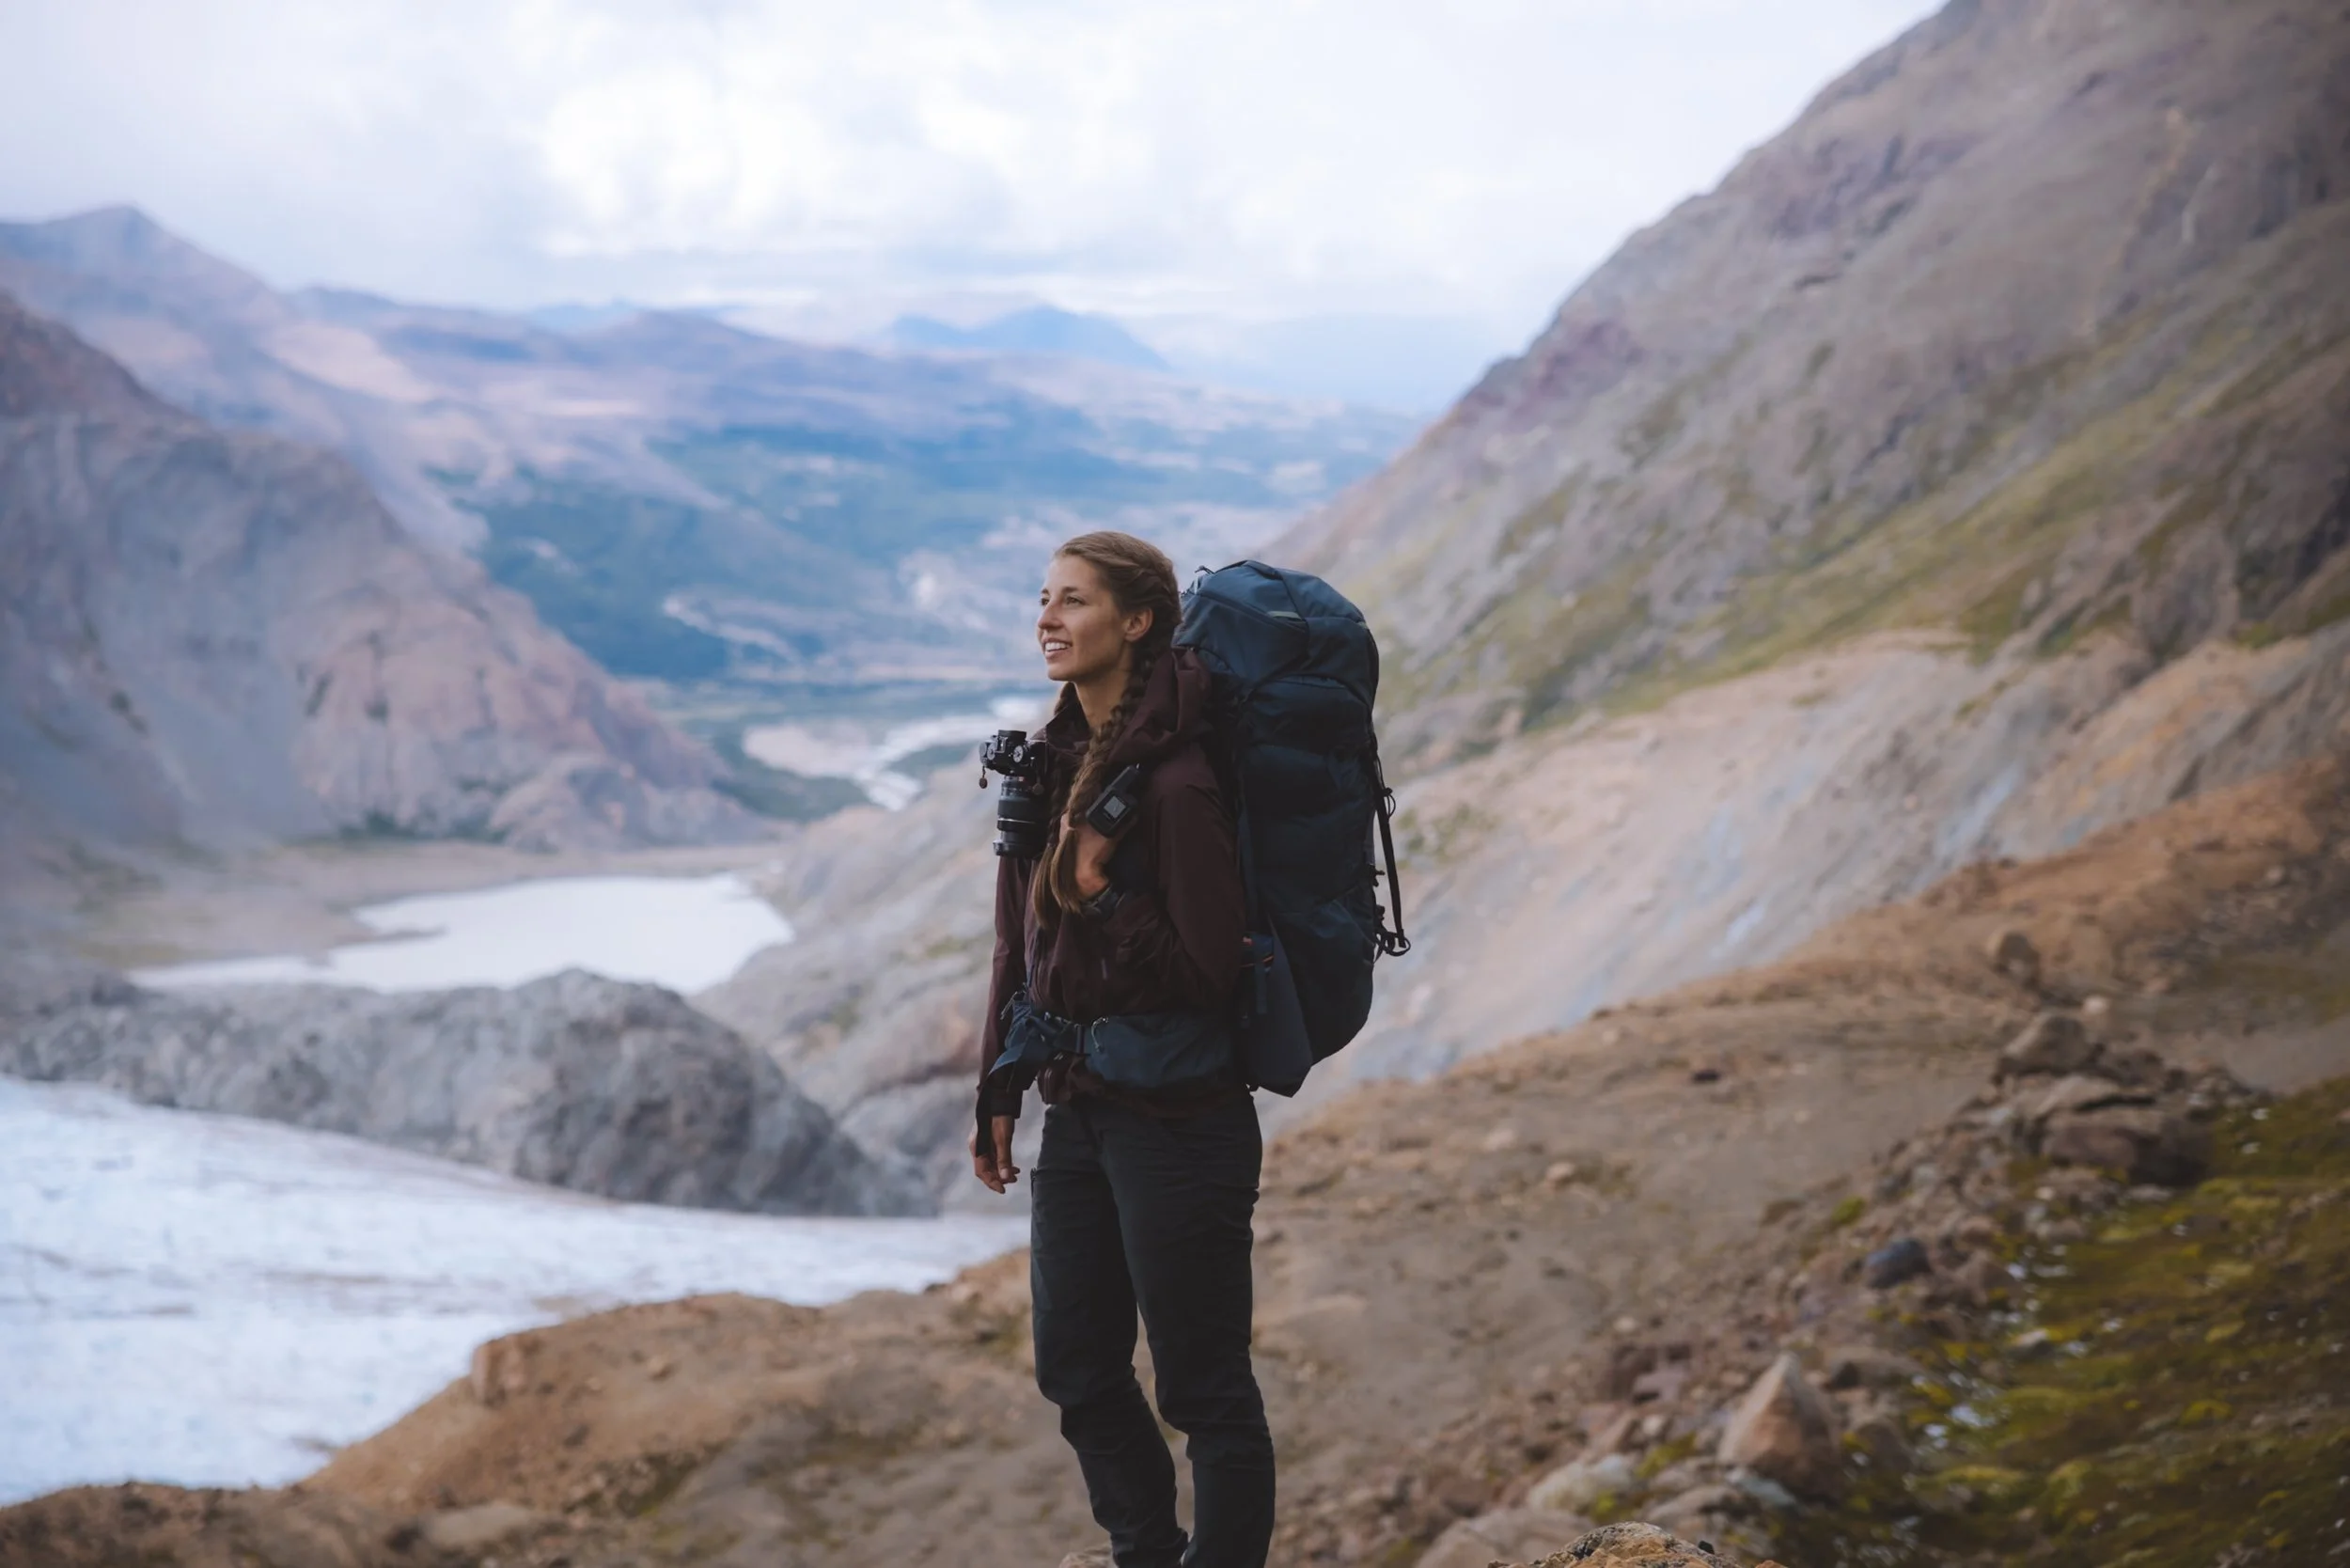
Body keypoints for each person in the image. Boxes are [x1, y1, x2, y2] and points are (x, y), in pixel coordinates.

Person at [970, 530, 1274, 1568]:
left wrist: (1105, 887)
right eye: (1043, 599)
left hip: (1183, 1123)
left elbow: (1209, 976)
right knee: (1079, 1370)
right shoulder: (1052, 764)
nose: (1048, 619)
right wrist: (997, 1088)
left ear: (1136, 621)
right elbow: (1020, 946)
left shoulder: (1178, 783)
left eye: (1075, 602)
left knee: (1204, 1389)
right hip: (1082, 1111)